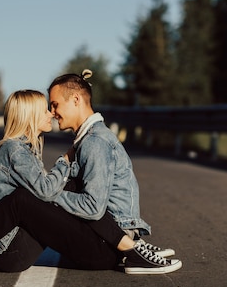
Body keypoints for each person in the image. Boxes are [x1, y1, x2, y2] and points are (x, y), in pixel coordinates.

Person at [0, 90, 182, 278]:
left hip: (16, 243)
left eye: (52, 107)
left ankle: (128, 244)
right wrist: (66, 160)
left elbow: (50, 191)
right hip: (8, 250)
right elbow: (44, 191)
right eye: (46, 109)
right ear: (31, 116)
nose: (52, 114)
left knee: (65, 189)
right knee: (26, 199)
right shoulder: (14, 150)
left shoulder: (27, 148)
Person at [48, 70, 171, 252]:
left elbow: (92, 207)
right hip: (112, 232)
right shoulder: (89, 138)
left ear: (76, 100)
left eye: (54, 105)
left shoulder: (95, 141)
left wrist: (47, 194)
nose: (52, 113)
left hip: (111, 238)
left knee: (34, 201)